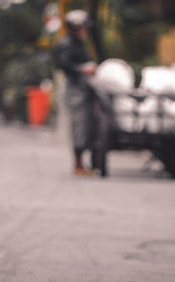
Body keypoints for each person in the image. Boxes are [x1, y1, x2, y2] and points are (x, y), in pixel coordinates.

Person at [53, 10, 97, 175]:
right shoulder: (67, 43)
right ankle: (78, 165)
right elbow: (64, 64)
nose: (85, 31)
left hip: (82, 89)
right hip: (75, 90)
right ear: (76, 27)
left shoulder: (78, 42)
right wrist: (82, 69)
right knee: (79, 125)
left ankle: (81, 164)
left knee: (85, 125)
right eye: (83, 27)